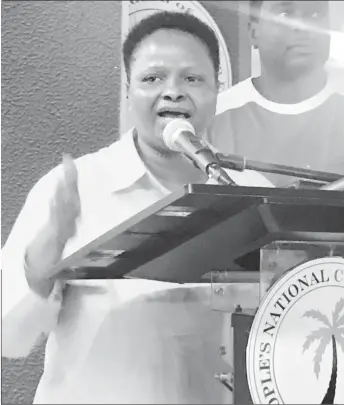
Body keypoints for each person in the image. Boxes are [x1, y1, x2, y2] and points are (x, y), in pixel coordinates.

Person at [2, 11, 270, 404]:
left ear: (218, 89)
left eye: (192, 78)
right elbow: (10, 338)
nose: (173, 91)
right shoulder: (77, 188)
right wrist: (41, 265)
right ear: (129, 92)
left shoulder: (254, 196)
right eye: (152, 78)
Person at [209, 0, 344, 187]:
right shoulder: (212, 118)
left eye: (315, 15)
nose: (303, 26)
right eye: (285, 14)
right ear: (253, 32)